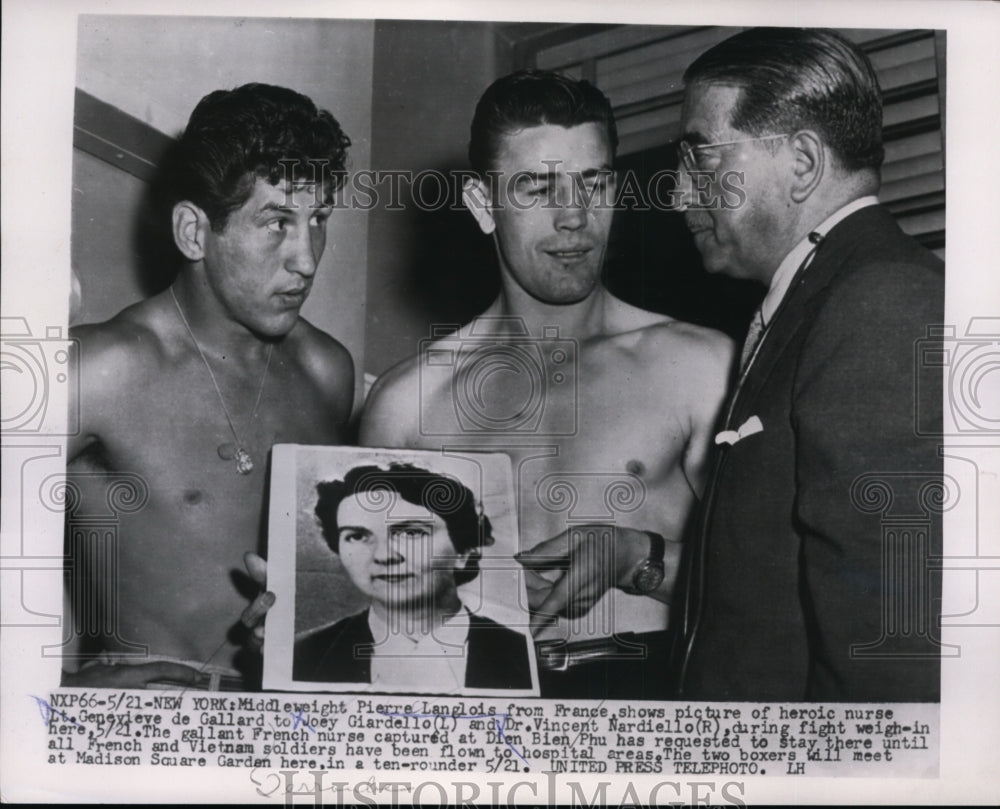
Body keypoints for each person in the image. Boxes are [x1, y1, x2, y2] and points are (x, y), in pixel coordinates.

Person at [360, 70, 733, 698]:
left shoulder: (699, 366)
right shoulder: (406, 404)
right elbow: (384, 623)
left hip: (651, 701)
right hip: (472, 718)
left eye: (594, 182)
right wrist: (301, 616)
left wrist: (634, 556)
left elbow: (772, 582)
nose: (574, 218)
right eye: (537, 187)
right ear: (484, 205)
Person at [671, 28, 944, 701]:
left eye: (699, 155)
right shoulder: (822, 294)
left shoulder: (882, 299)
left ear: (801, 162)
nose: (679, 194)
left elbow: (888, 650)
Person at [64, 83, 355, 690]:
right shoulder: (99, 368)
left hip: (286, 730)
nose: (306, 259)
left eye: (318, 220)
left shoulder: (328, 372)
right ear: (194, 232)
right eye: (276, 221)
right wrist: (59, 689)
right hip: (144, 742)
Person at [293, 463, 533, 691]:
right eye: (356, 536)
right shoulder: (300, 656)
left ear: (463, 550)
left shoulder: (525, 657)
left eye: (411, 532)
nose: (384, 555)